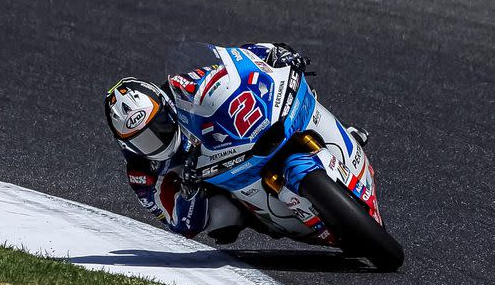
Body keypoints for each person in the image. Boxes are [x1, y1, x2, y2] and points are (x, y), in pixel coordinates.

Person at [103, 43, 368, 244]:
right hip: (219, 181)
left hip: (235, 139)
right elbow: (181, 225)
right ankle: (271, 218)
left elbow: (235, 61)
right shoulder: (141, 172)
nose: (157, 138)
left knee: (299, 93)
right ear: (127, 145)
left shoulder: (181, 88)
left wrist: (275, 52)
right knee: (221, 220)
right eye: (143, 139)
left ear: (167, 108)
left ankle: (340, 134)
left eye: (159, 125)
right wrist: (189, 189)